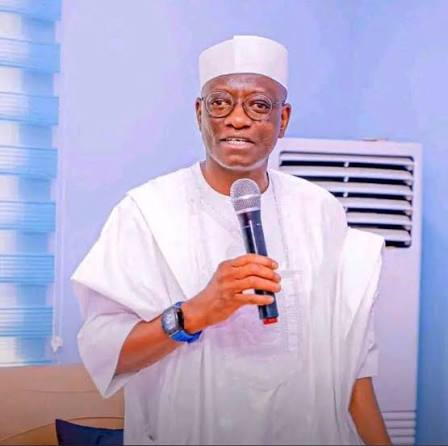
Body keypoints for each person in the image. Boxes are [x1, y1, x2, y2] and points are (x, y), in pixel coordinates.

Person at [72, 35, 391, 445]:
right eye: (220, 103)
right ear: (199, 113)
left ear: (283, 118)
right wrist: (193, 314)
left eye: (258, 105)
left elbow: (352, 360)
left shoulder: (319, 211)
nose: (237, 119)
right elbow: (107, 356)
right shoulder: (145, 212)